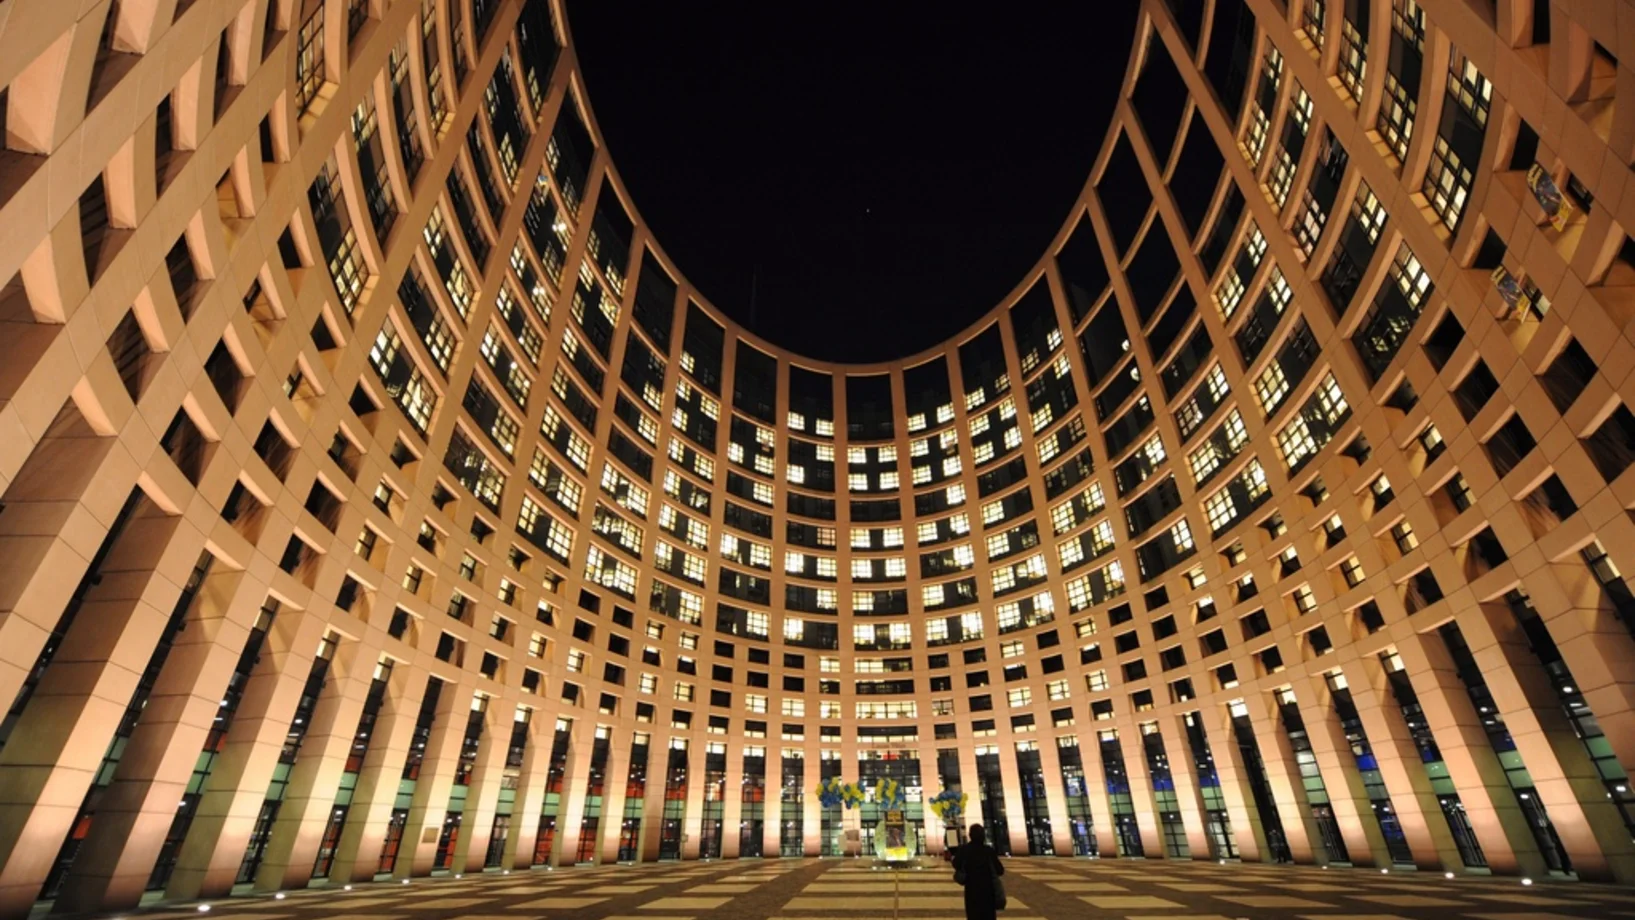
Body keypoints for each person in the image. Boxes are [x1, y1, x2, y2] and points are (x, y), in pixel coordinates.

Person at [951, 823, 1005, 920]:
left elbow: (955, 864)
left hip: (971, 890)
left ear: (970, 835)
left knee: (973, 915)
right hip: (988, 891)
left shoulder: (964, 850)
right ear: (983, 836)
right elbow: (1000, 870)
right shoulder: (988, 851)